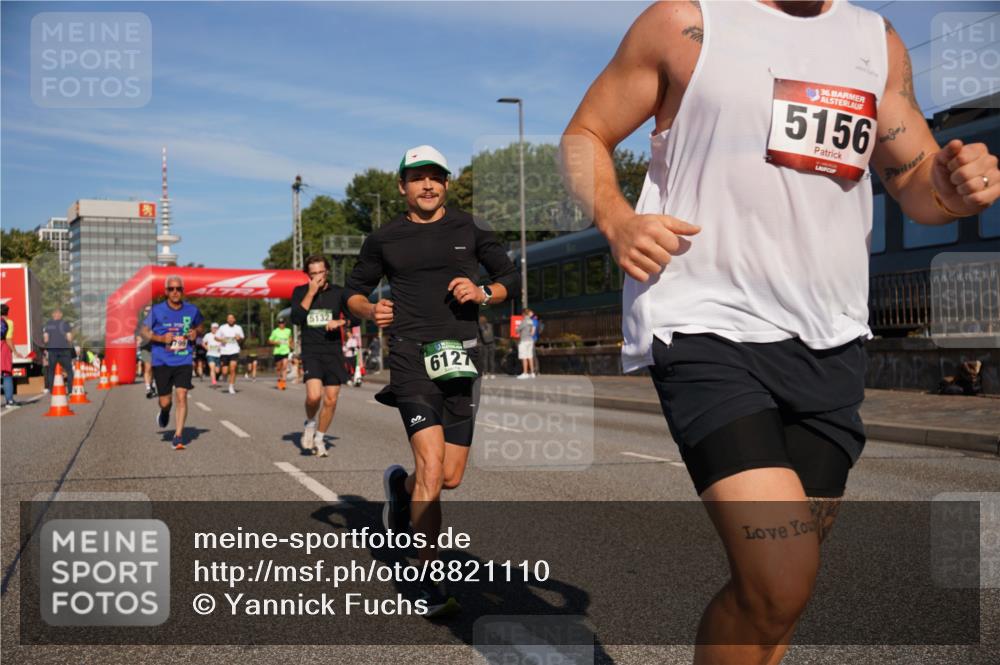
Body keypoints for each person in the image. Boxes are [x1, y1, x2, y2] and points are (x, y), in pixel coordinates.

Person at [561, 2, 1000, 663]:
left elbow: (914, 180)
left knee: (779, 599)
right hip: (708, 325)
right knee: (780, 573)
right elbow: (585, 134)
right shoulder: (685, 23)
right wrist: (619, 219)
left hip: (830, 339)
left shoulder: (875, 41)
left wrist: (953, 191)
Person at [345, 144, 519, 617]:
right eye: (418, 177)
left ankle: (399, 491)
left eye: (436, 177)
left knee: (449, 476)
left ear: (446, 183)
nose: (428, 185)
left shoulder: (471, 227)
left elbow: (509, 278)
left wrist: (483, 291)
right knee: (431, 467)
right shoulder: (384, 238)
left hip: (461, 359)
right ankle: (427, 579)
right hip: (409, 358)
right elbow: (352, 294)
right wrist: (369, 309)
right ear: (402, 186)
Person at [289, 255, 351, 457]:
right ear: (307, 275)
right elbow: (297, 319)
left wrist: (340, 323)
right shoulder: (300, 292)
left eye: (321, 273)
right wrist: (310, 292)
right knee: (314, 395)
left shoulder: (339, 293)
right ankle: (310, 423)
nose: (318, 277)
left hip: (333, 352)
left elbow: (355, 319)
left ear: (327, 272)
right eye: (313, 274)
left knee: (331, 400)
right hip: (312, 351)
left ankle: (320, 437)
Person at [141, 275, 204, 450]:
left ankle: (178, 436)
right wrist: (160, 337)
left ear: (182, 291)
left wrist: (195, 333)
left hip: (183, 358)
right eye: (171, 289)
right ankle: (165, 411)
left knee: (182, 395)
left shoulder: (192, 310)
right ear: (166, 291)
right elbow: (144, 331)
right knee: (165, 401)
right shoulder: (157, 310)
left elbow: (200, 326)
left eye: (178, 289)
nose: (175, 292)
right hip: (162, 360)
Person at [42, 308, 74, 391]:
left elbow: (46, 339)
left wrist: (47, 345)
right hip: (64, 350)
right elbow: (69, 338)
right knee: (69, 370)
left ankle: (52, 390)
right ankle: (70, 390)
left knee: (51, 371)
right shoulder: (65, 324)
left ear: (53, 315)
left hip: (52, 350)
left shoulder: (48, 324)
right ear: (61, 315)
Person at [216, 314, 244, 395]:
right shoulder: (222, 327)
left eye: (232, 318)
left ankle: (231, 386)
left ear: (234, 319)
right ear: (227, 320)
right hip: (224, 351)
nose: (231, 319)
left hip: (234, 350)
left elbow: (242, 338)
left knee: (233, 368)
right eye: (229, 318)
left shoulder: (238, 328)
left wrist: (239, 338)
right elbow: (216, 338)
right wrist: (222, 339)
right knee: (224, 372)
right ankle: (224, 376)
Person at [1, 304, 22, 409]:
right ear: (7, 312)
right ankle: (9, 401)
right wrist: (15, 351)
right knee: (7, 374)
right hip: (3, 349)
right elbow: (8, 339)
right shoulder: (8, 322)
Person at [136, 306, 156, 398]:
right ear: (143, 312)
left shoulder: (156, 322)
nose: (148, 312)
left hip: (156, 347)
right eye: (146, 311)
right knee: (148, 368)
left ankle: (152, 384)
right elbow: (137, 335)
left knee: (154, 368)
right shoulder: (140, 323)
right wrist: (139, 340)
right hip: (145, 347)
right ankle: (148, 388)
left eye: (150, 311)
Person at [269, 318, 292, 390]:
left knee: (284, 367)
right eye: (280, 323)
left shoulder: (288, 330)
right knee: (279, 368)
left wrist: (291, 344)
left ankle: (283, 384)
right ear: (278, 324)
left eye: (282, 323)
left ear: (285, 323)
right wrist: (275, 342)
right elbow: (270, 341)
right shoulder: (275, 331)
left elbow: (290, 338)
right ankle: (279, 381)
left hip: (285, 351)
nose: (281, 324)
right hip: (277, 351)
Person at [516, 310, 536, 379]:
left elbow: (517, 329)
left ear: (524, 314)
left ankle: (525, 373)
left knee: (524, 357)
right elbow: (532, 331)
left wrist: (517, 329)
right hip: (530, 340)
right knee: (530, 356)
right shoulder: (531, 321)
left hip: (524, 340)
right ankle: (532, 373)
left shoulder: (524, 321)